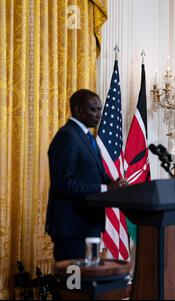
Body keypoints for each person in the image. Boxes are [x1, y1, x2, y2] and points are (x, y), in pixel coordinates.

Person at [45, 89, 127, 262]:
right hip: (72, 228)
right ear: (78, 110)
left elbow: (94, 174)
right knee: (73, 282)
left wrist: (115, 184)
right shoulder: (67, 136)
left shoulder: (86, 136)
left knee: (87, 281)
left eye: (100, 109)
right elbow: (63, 183)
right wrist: (105, 188)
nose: (99, 115)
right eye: (94, 110)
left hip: (89, 224)